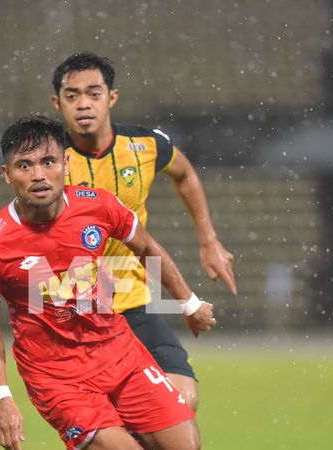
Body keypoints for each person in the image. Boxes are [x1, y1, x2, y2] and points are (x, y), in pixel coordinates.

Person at [0, 115, 216, 450]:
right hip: (57, 377)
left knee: (187, 445)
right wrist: (3, 399)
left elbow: (146, 247)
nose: (38, 174)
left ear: (66, 164)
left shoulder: (97, 205)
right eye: (24, 166)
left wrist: (188, 302)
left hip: (119, 352)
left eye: (48, 162)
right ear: (6, 174)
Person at [50, 52, 237, 411]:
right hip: (73, 312)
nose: (83, 104)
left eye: (94, 93)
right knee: (106, 419)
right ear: (57, 103)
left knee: (182, 399)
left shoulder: (145, 145)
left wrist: (208, 240)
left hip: (132, 299)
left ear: (112, 97)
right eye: (72, 96)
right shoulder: (49, 159)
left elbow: (185, 174)